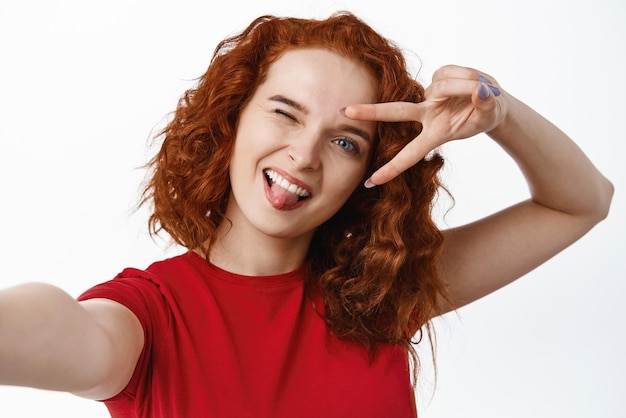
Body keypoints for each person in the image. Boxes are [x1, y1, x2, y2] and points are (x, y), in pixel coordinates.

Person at [0, 11, 613, 418]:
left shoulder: (382, 294)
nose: (305, 154)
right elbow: (60, 328)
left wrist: (499, 112)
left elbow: (582, 201)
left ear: (373, 173)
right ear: (231, 120)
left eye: (345, 140)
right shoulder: (151, 315)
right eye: (285, 113)